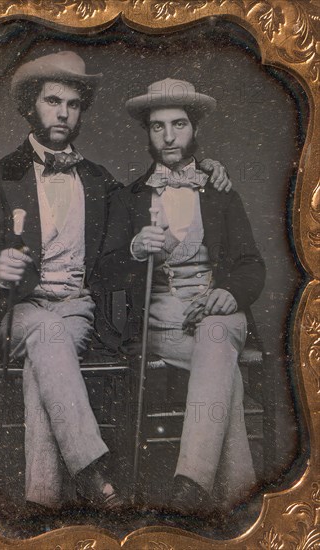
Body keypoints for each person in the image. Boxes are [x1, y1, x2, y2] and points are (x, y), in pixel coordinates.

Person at [0, 53, 231, 512]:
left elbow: (128, 245)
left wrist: (210, 167)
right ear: (31, 106)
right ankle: (92, 468)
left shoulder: (99, 181)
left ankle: (44, 500)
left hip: (77, 310)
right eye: (52, 101)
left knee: (46, 359)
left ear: (83, 110)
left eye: (74, 104)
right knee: (47, 334)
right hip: (16, 313)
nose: (63, 113)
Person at [99, 78, 266, 516]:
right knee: (224, 373)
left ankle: (188, 486)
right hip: (163, 328)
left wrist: (230, 293)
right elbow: (102, 272)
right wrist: (135, 249)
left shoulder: (220, 191)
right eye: (158, 127)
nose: (169, 136)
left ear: (195, 129)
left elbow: (252, 264)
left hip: (221, 316)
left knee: (215, 333)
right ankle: (236, 499)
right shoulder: (130, 198)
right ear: (147, 133)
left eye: (179, 124)